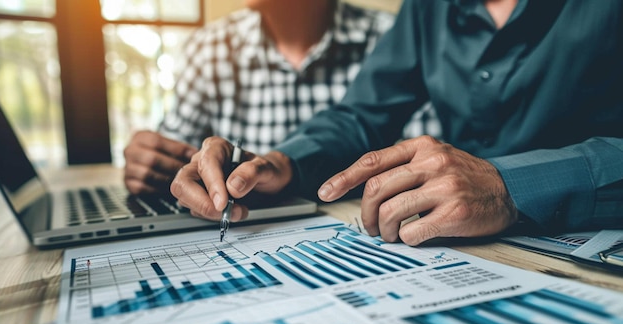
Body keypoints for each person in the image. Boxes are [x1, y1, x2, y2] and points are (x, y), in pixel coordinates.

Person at [171, 0, 623, 246]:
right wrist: (282, 162)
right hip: (467, 248)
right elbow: (362, 114)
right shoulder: (427, 8)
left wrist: (508, 184)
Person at [123, 0, 439, 195]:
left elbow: (424, 164)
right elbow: (176, 154)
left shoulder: (395, 40)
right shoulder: (209, 47)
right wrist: (152, 162)